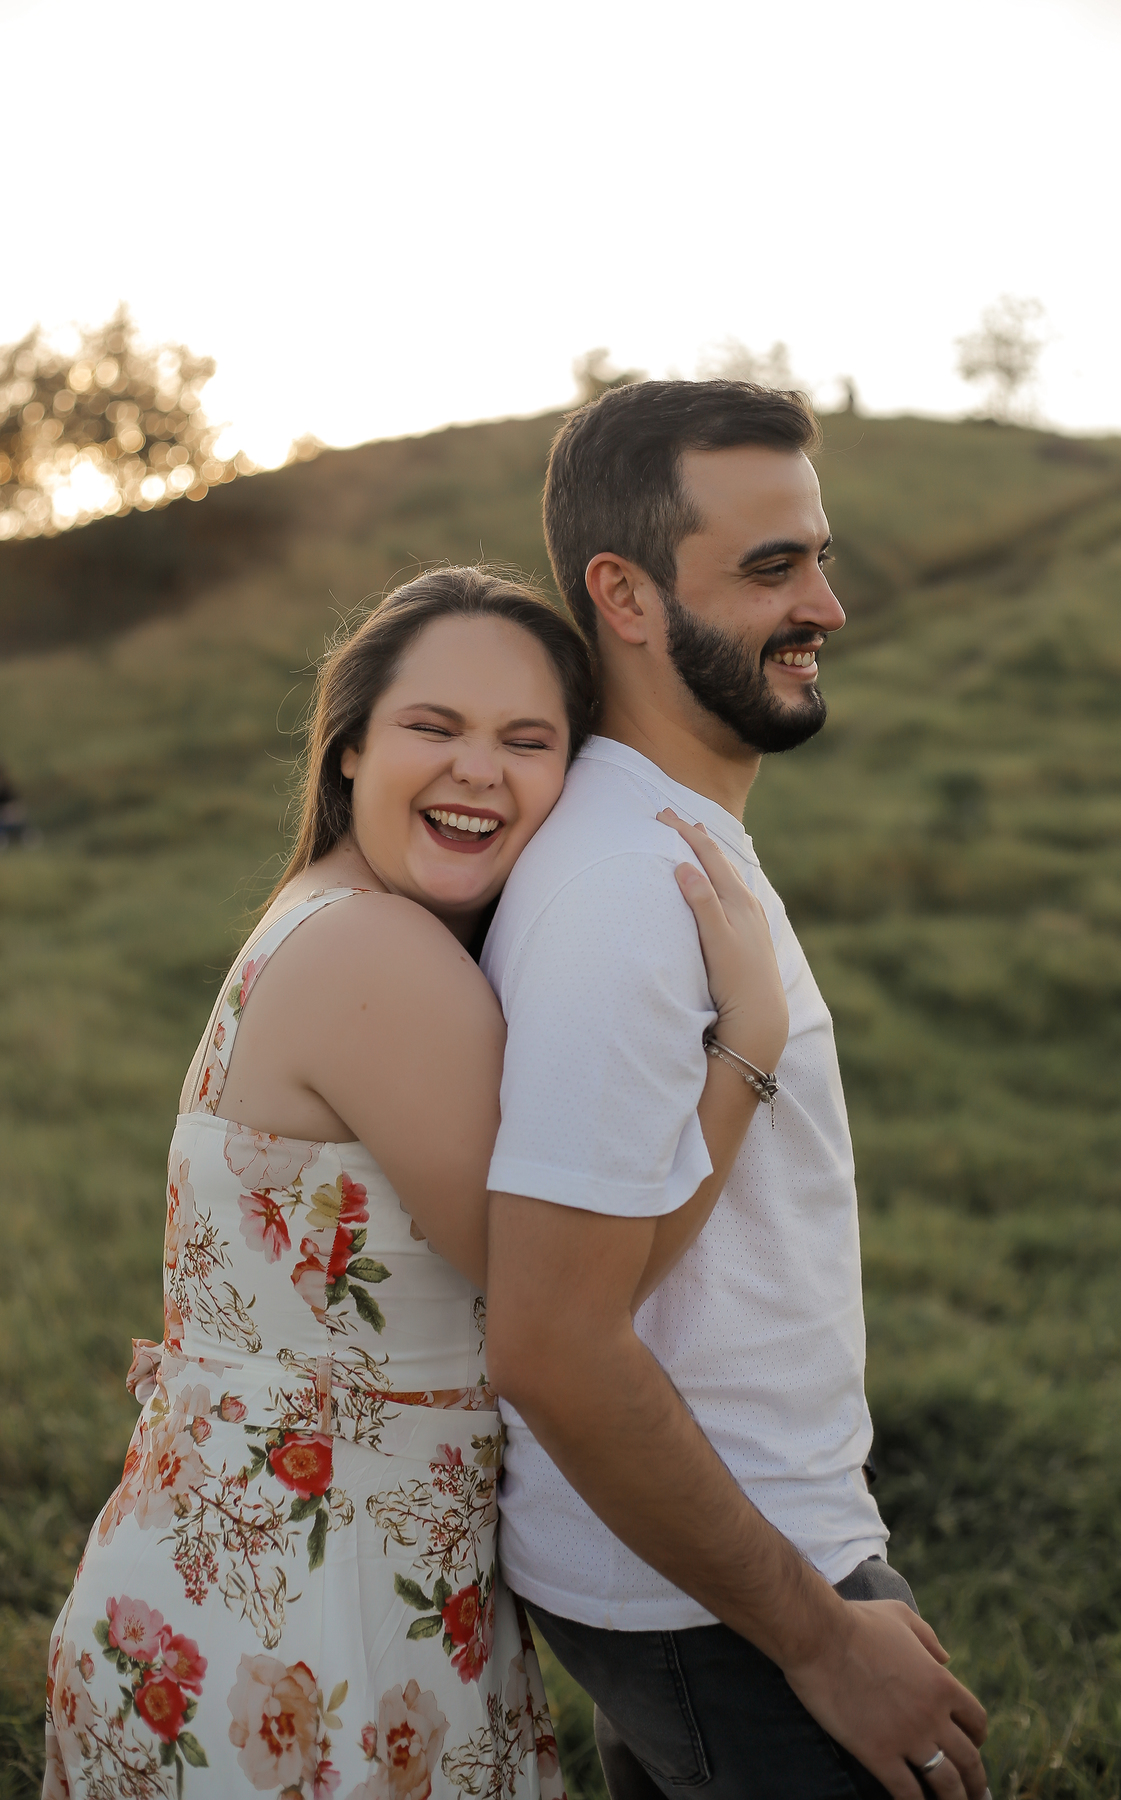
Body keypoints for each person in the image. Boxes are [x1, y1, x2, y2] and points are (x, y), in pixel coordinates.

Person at [42, 566, 789, 1800]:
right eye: (433, 729)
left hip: (233, 1579)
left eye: (526, 740)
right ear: (347, 753)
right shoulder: (377, 952)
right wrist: (746, 1046)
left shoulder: (318, 912)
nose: (478, 771)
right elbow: (574, 1304)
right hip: (304, 1633)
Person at [482, 381, 992, 1800]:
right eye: (772, 569)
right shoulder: (624, 891)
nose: (826, 605)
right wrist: (821, 1638)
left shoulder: (662, 839)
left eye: (820, 556)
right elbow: (553, 1340)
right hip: (725, 1595)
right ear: (625, 596)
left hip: (694, 1566)